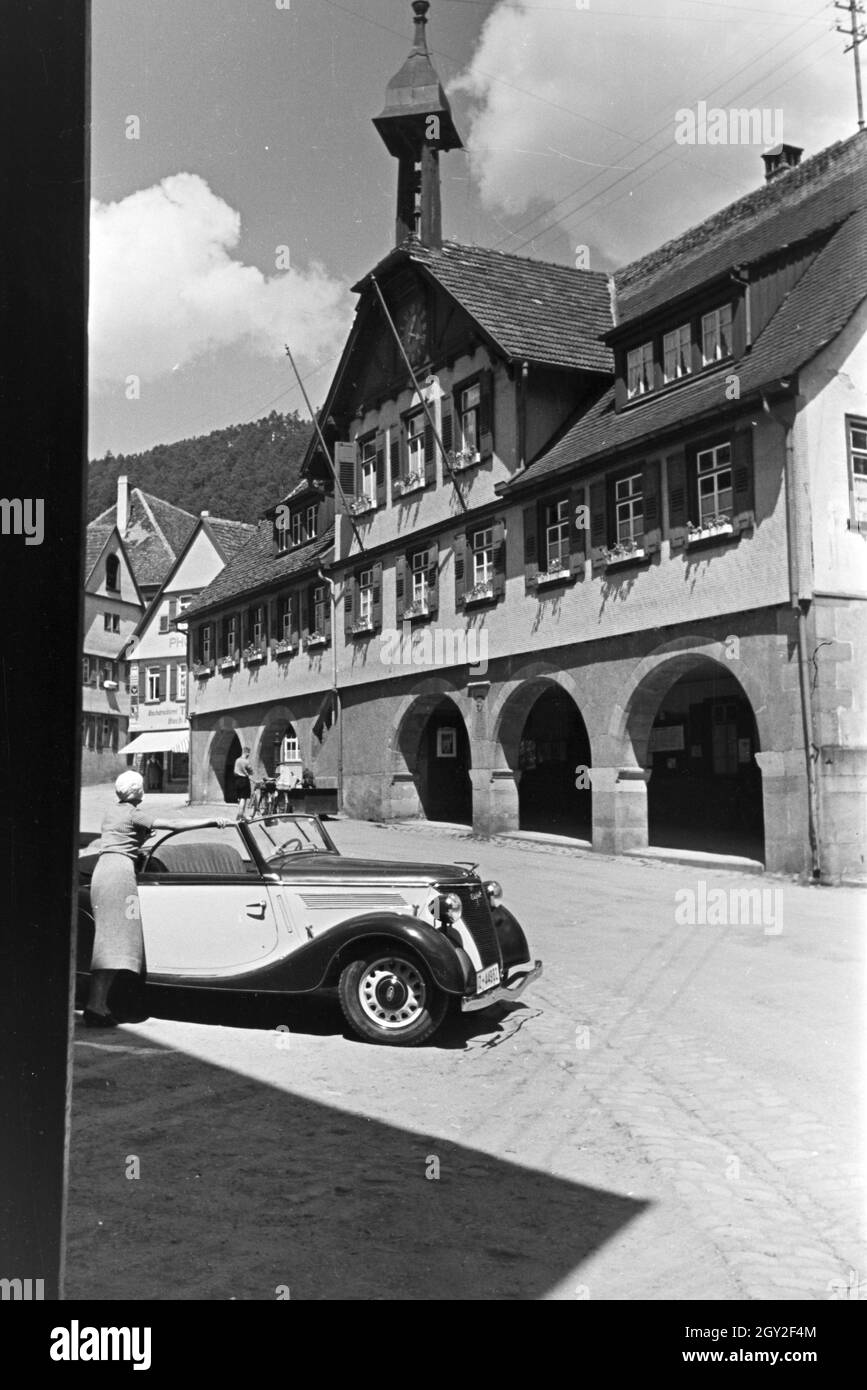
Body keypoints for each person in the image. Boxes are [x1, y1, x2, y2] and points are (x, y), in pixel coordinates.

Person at [83, 770, 229, 1027]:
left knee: (110, 941)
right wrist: (210, 821)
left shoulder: (113, 811)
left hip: (105, 870)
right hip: (119, 874)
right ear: (137, 791)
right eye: (141, 788)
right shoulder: (133, 813)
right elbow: (172, 824)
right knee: (116, 943)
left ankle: (100, 1003)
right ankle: (97, 1006)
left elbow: (122, 837)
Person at [233, 745, 255, 817]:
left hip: (237, 780)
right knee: (243, 798)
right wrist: (248, 773)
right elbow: (251, 771)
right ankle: (240, 814)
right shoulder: (246, 762)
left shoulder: (237, 760)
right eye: (249, 754)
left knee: (239, 798)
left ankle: (240, 813)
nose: (248, 755)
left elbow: (234, 771)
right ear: (247, 753)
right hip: (244, 780)